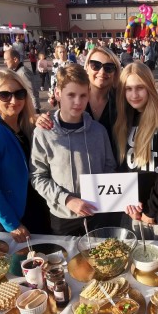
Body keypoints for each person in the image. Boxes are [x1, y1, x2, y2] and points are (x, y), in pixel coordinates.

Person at [31, 64, 116, 236]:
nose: (78, 102)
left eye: (83, 95)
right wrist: (67, 199)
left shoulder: (99, 131)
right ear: (58, 93)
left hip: (96, 215)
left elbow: (109, 167)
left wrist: (105, 197)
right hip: (63, 216)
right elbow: (38, 176)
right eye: (71, 95)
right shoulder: (44, 133)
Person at [0, 69, 50, 242]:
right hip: (14, 212)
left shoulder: (25, 125)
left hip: (37, 203)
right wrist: (12, 224)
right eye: (5, 95)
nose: (14, 100)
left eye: (19, 94)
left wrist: (35, 119)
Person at [114, 62, 158, 241]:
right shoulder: (125, 120)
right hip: (135, 208)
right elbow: (124, 168)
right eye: (128, 88)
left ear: (150, 87)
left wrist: (150, 210)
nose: (134, 94)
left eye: (140, 87)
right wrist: (129, 202)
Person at [4, 47, 41, 114]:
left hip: (28, 109)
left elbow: (32, 91)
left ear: (15, 59)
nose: (4, 62)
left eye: (6, 60)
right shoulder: (16, 71)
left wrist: (36, 109)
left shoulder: (23, 73)